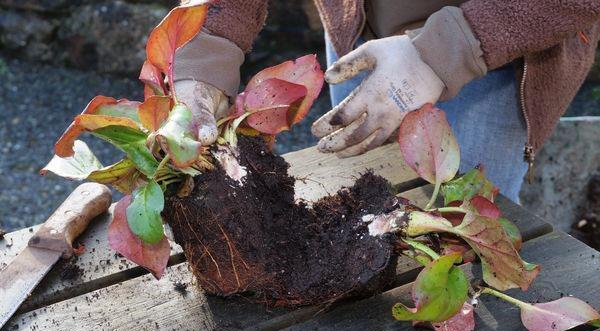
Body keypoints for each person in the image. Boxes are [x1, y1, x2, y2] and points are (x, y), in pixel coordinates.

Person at [174, 0, 600, 202]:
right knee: (366, 201)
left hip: (497, 57)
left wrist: (449, 49)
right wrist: (209, 45)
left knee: (460, 229)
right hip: (362, 27)